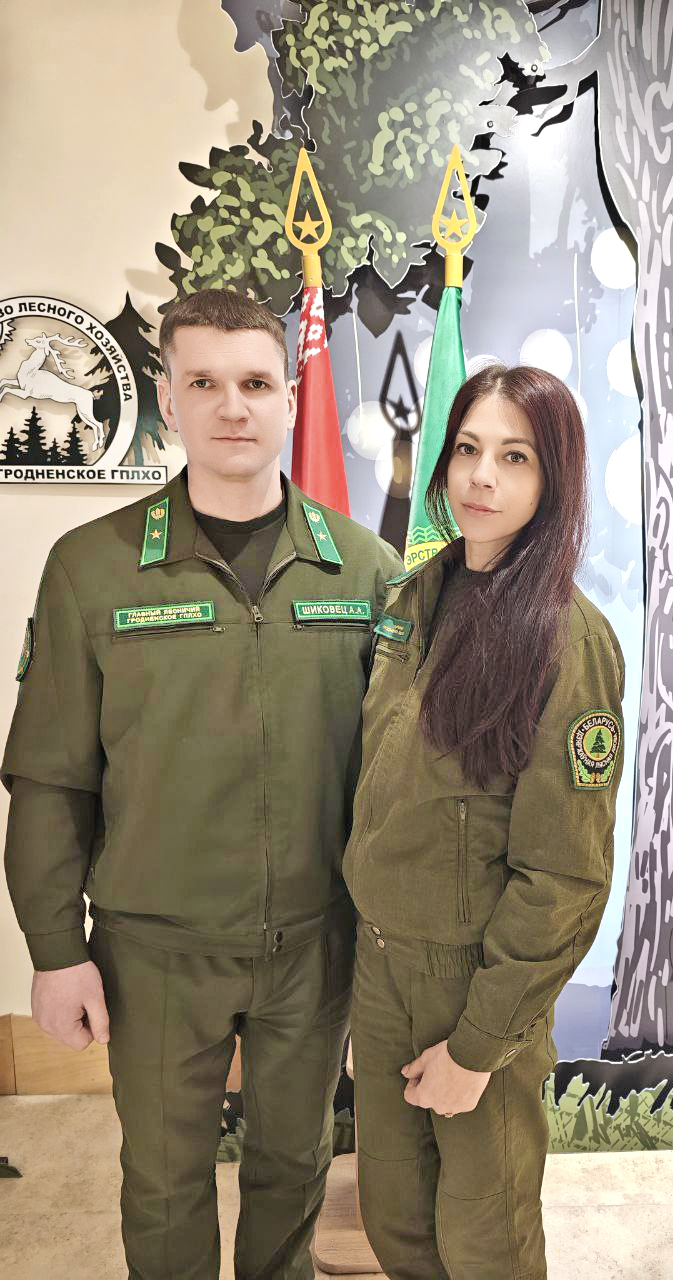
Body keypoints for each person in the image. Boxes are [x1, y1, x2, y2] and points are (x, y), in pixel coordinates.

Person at [2, 288, 402, 1280]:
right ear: (170, 401)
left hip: (315, 944)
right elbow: (49, 777)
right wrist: (55, 951)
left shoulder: (366, 570)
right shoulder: (91, 568)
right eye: (205, 383)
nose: (233, 407)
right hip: (155, 951)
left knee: (293, 1168)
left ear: (291, 398)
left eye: (256, 383)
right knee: (164, 1184)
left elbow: (401, 780)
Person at [343, 364, 625, 1280]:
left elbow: (565, 878)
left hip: (474, 983)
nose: (481, 478)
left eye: (515, 457)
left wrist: (475, 1050)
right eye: (467, 449)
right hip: (382, 968)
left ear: (554, 479)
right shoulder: (414, 600)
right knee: (396, 1222)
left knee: (484, 1240)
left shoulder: (566, 640)